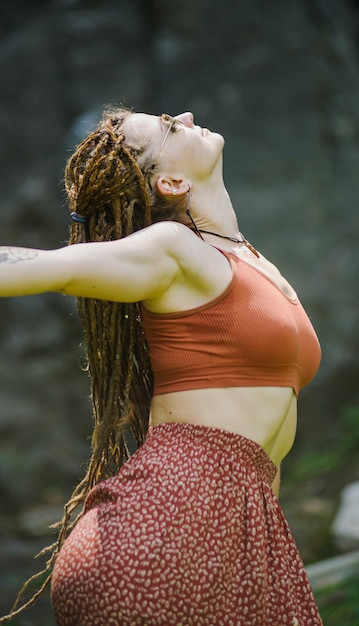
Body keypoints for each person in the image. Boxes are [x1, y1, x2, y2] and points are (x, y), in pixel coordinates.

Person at [0, 108, 323, 626]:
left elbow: (260, 462)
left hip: (229, 528)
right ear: (171, 182)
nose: (189, 115)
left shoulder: (247, 259)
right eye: (171, 127)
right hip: (160, 534)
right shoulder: (174, 250)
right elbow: (49, 268)